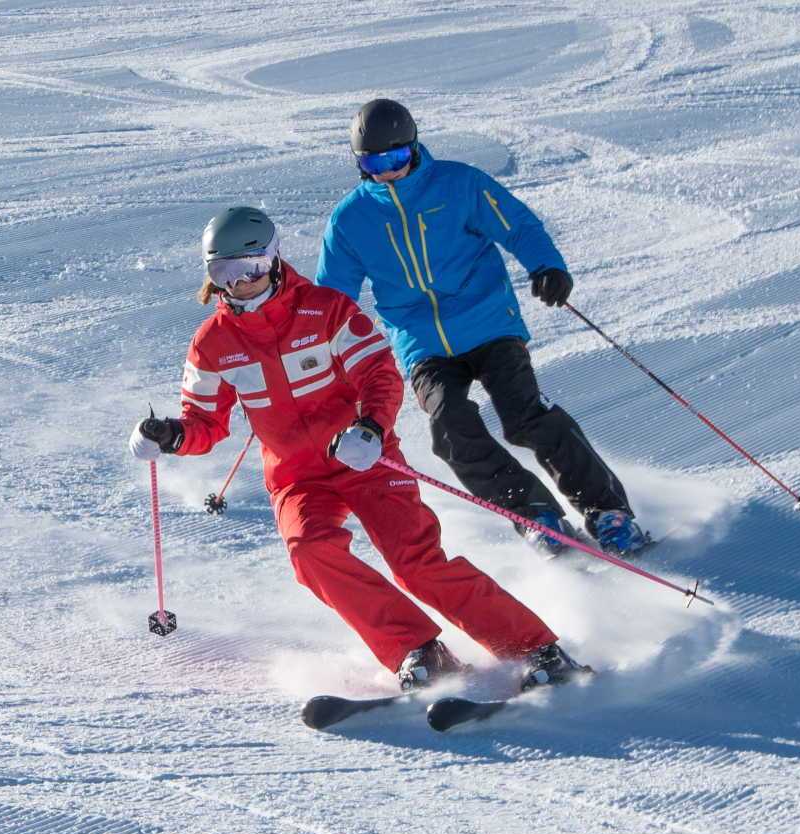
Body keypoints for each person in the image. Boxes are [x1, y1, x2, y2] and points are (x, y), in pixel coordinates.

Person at [129, 206, 589, 693]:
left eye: (252, 268)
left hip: (365, 457)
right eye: (224, 272)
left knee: (416, 562)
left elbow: (379, 375)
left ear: (275, 258)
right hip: (296, 476)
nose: (240, 282)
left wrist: (370, 428)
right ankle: (420, 651)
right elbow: (205, 423)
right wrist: (172, 436)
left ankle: (537, 649)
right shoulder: (213, 343)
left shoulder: (326, 309)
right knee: (310, 552)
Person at [315, 99, 649, 558]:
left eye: (395, 159)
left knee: (525, 417)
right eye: (373, 163)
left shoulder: (458, 183)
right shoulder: (351, 219)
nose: (386, 172)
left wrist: (547, 265)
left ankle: (608, 511)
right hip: (422, 343)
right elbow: (333, 299)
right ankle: (535, 513)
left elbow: (518, 225)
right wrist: (312, 351)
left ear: (413, 148)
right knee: (450, 433)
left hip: (489, 323)